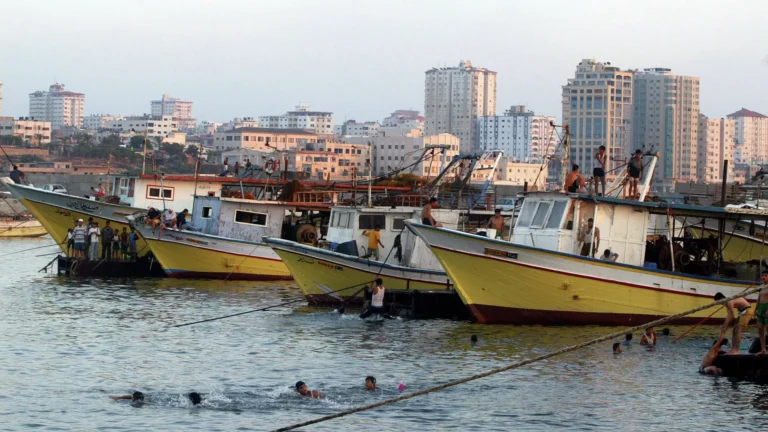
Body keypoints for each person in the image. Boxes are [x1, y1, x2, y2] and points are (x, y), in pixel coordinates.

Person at [755, 270, 768, 355]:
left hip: (767, 307)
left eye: (765, 275)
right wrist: (755, 310)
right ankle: (763, 349)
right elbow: (758, 299)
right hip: (760, 308)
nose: (763, 277)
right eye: (762, 275)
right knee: (760, 329)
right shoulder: (761, 287)